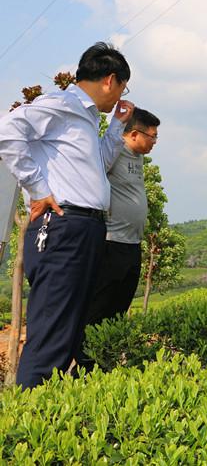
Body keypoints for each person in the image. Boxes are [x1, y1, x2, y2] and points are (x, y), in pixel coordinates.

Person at [0, 42, 133, 388]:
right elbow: (7, 132)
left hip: (85, 227)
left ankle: (52, 412)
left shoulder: (86, 116)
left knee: (70, 331)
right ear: (110, 80)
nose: (120, 96)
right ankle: (30, 415)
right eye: (122, 87)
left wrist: (116, 127)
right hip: (63, 226)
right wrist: (38, 188)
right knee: (52, 335)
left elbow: (96, 166)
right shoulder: (62, 103)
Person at [75, 108, 160, 371]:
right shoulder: (114, 151)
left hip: (132, 245)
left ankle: (106, 364)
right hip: (111, 242)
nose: (155, 142)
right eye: (152, 136)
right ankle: (85, 366)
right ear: (134, 134)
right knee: (99, 308)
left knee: (119, 309)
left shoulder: (137, 157)